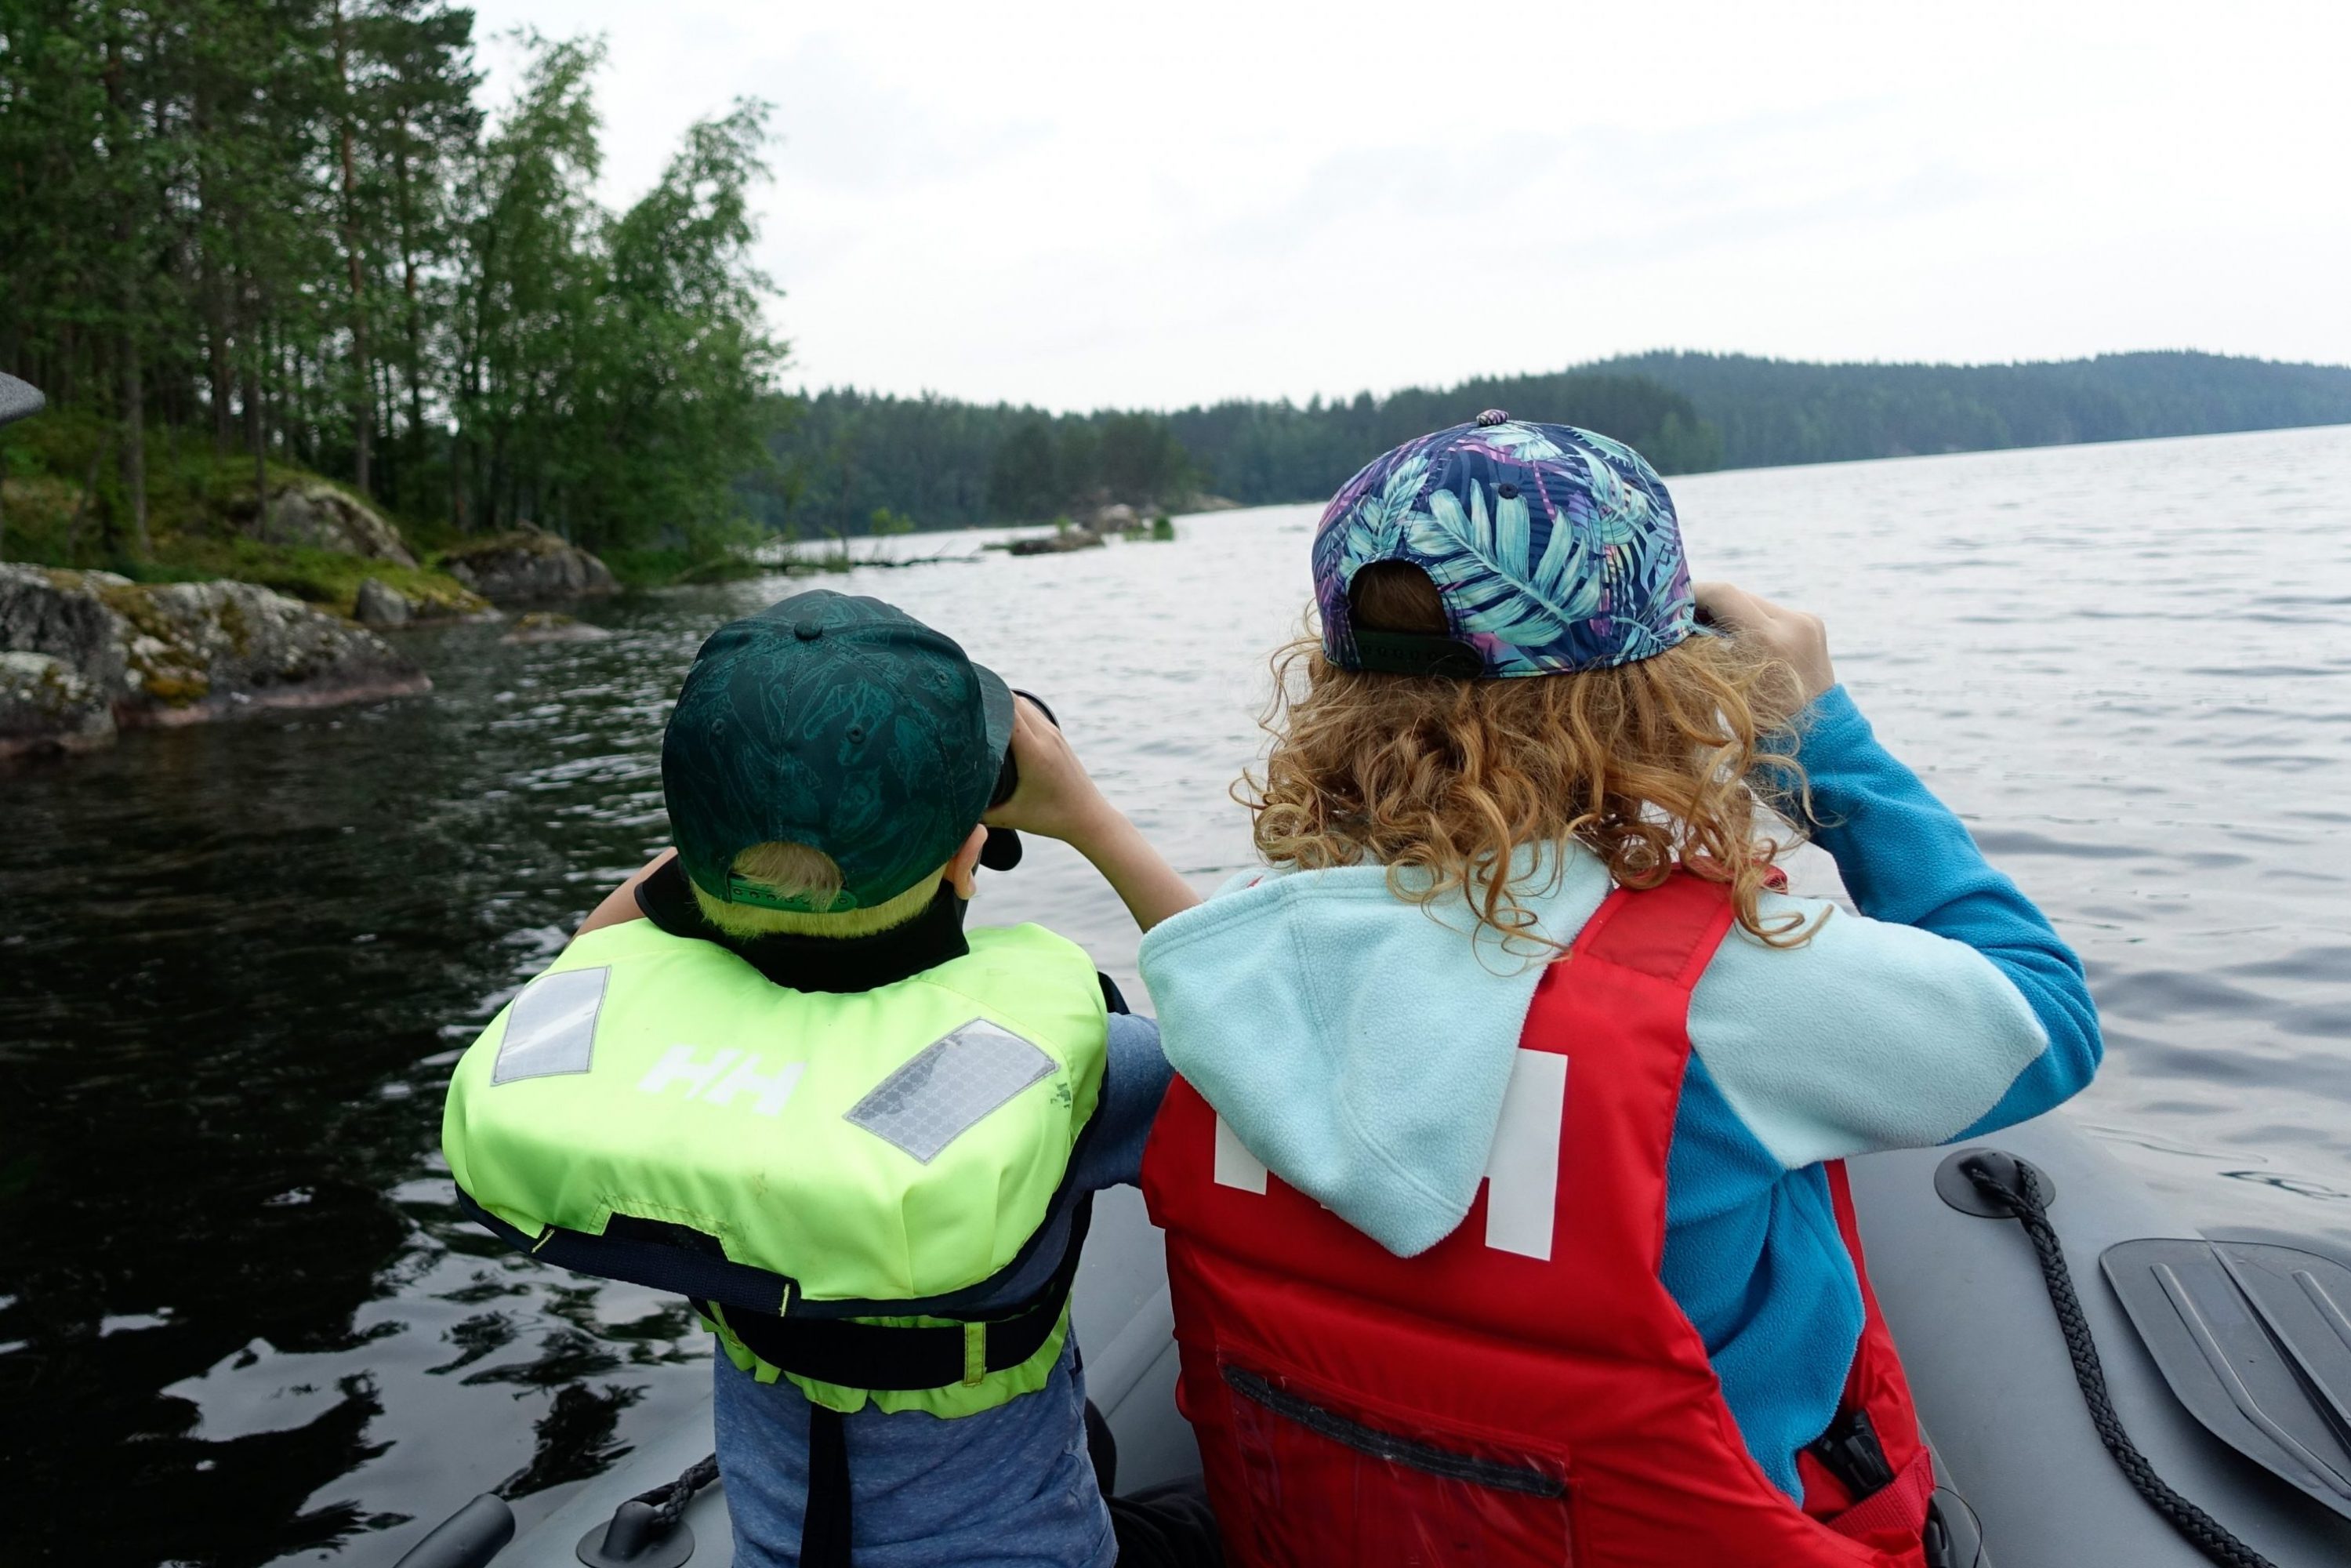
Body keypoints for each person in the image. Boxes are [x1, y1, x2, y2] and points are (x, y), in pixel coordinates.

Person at [1134, 412, 2102, 1566]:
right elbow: (2045, 1014)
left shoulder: (1240, 964)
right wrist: (1824, 736)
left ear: (1337, 685)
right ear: (1658, 686)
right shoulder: (1733, 991)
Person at [442, 589, 1218, 1568]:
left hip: (775, 1546)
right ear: (970, 857)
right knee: (1219, 1520)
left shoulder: (633, 1039)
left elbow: (599, 950)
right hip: (1032, 1548)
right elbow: (1272, 1066)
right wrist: (1089, 817)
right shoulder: (1076, 1062)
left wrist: (753, 817)